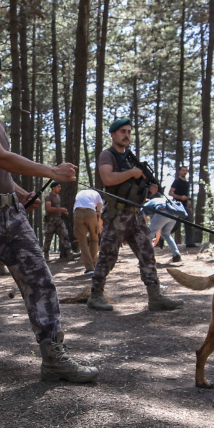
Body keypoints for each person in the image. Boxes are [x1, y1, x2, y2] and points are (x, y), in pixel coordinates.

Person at [0, 51, 98, 385]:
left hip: (11, 214)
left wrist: (20, 193)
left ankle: (53, 357)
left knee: (40, 280)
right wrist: (51, 170)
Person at [87, 119, 182, 312]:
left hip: (136, 215)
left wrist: (150, 190)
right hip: (116, 215)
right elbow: (107, 178)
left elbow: (137, 189)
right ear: (113, 134)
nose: (126, 135)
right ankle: (95, 295)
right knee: (108, 256)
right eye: (122, 131)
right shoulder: (108, 155)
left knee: (147, 254)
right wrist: (132, 173)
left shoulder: (131, 158)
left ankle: (155, 297)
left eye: (129, 132)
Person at [143, 183, 185, 263]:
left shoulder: (147, 204)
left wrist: (147, 230)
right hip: (174, 214)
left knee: (149, 234)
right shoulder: (161, 199)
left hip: (163, 212)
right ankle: (176, 254)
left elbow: (145, 219)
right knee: (166, 234)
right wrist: (157, 237)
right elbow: (158, 224)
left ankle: (147, 257)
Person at [71, 188, 103, 275]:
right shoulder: (97, 194)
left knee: (82, 241)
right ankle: (93, 264)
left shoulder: (80, 193)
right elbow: (99, 208)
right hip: (90, 212)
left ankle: (89, 268)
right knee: (94, 238)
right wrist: (98, 212)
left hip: (77, 213)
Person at [42, 181, 73, 261]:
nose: (60, 188)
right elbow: (48, 208)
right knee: (48, 238)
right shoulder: (48, 197)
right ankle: (46, 255)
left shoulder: (58, 196)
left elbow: (57, 207)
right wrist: (60, 209)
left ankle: (69, 254)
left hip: (58, 220)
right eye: (58, 187)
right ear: (54, 187)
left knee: (65, 234)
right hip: (50, 221)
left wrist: (63, 211)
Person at [170, 165, 196, 248]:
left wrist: (190, 206)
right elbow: (170, 193)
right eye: (183, 170)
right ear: (179, 172)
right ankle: (162, 237)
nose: (184, 172)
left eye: (186, 170)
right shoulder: (177, 181)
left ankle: (189, 243)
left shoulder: (186, 183)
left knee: (189, 222)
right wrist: (180, 197)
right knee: (176, 225)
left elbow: (187, 195)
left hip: (184, 206)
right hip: (177, 205)